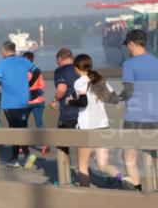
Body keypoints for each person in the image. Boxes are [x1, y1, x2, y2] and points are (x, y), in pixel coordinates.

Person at [115, 29, 158, 192]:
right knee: (155, 154)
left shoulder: (129, 64)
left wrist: (116, 98)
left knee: (129, 156)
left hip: (134, 117)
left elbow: (128, 92)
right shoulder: (156, 62)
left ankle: (137, 190)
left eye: (127, 45)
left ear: (131, 44)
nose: (127, 48)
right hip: (155, 117)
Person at [68, 54, 120, 187]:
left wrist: (70, 101)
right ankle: (124, 180)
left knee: (82, 167)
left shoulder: (80, 82)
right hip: (102, 126)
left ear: (76, 68)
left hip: (87, 128)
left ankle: (86, 195)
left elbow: (83, 102)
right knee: (103, 165)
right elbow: (115, 99)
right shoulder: (99, 79)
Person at [0, 41, 34, 168]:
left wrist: (0, 86)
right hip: (24, 101)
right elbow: (37, 71)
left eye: (1, 50)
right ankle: (15, 157)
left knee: (14, 130)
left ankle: (25, 154)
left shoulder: (2, 63)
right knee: (21, 128)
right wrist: (28, 83)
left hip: (10, 102)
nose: (1, 53)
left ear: (5, 51)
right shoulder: (24, 61)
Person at [49, 47, 79, 169]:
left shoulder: (61, 70)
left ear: (60, 59)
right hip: (84, 112)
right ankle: (85, 171)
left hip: (68, 113)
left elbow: (61, 89)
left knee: (62, 144)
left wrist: (54, 100)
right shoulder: (81, 69)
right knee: (83, 145)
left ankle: (65, 172)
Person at [22, 51, 48, 168]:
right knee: (39, 123)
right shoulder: (38, 71)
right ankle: (45, 144)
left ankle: (22, 145)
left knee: (22, 123)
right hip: (39, 100)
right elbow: (42, 85)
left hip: (26, 102)